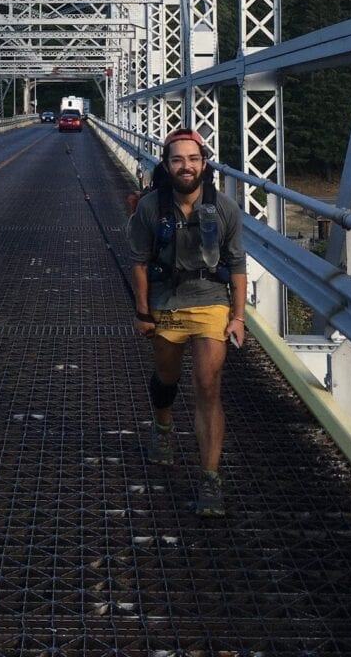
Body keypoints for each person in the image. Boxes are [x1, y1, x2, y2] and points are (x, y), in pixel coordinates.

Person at [127, 128, 247, 516]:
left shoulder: (225, 208)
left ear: (204, 163)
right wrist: (143, 312)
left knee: (208, 386)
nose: (186, 166)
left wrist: (238, 316)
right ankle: (163, 427)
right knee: (167, 379)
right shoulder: (151, 208)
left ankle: (210, 480)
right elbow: (140, 262)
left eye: (193, 159)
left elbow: (238, 264)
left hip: (211, 303)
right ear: (166, 165)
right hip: (166, 305)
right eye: (177, 160)